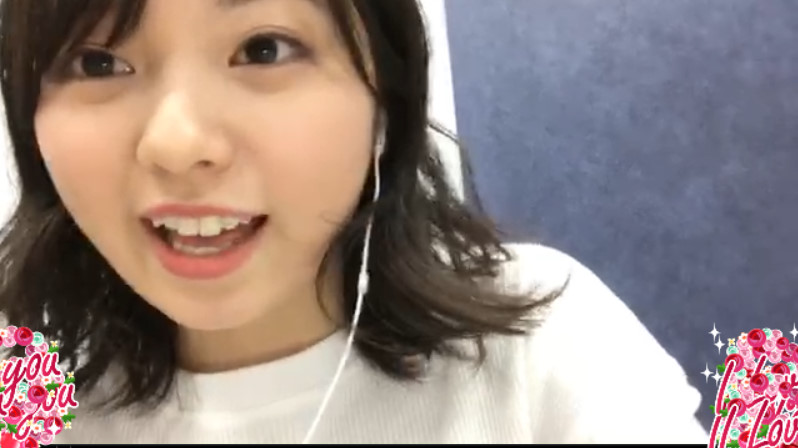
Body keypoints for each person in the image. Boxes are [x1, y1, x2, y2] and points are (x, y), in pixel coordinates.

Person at [0, 0, 708, 444]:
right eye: (97, 62)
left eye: (264, 48)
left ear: (387, 102)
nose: (177, 144)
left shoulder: (540, 342)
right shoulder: (32, 407)